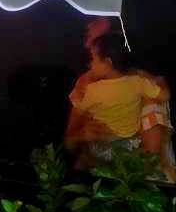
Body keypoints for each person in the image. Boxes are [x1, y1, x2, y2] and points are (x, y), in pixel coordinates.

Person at [65, 31, 168, 167]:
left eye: (93, 59)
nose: (90, 64)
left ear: (108, 62)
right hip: (130, 146)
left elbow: (79, 109)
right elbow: (165, 95)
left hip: (102, 146)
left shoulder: (93, 90)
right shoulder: (139, 82)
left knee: (86, 156)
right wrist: (158, 80)